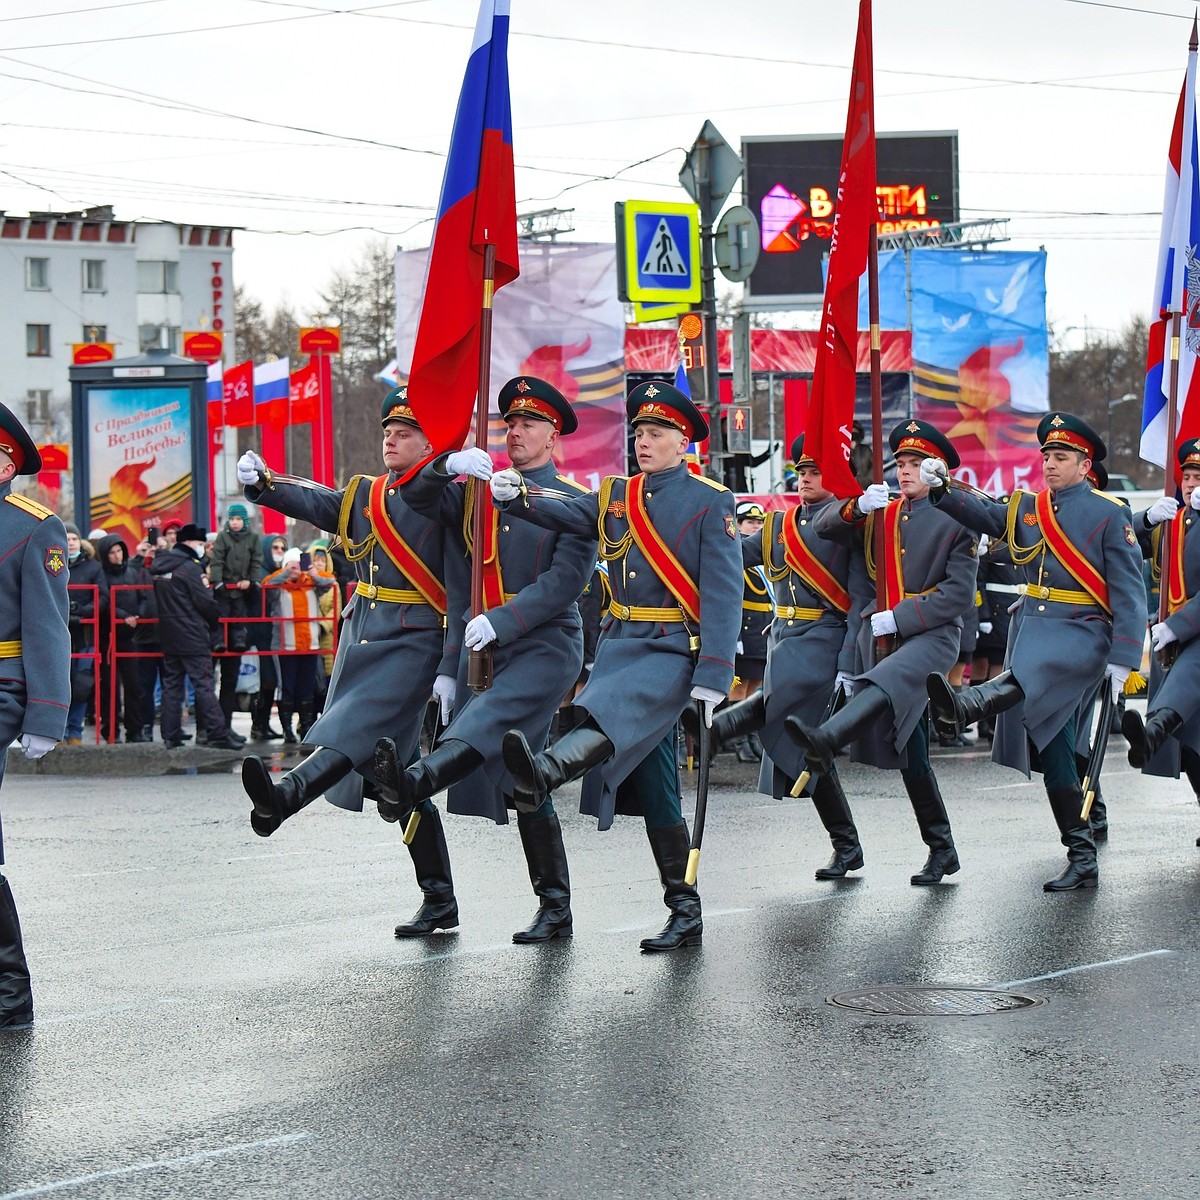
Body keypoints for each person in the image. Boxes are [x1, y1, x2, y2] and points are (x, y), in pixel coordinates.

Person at [493, 380, 742, 952]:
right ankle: (685, 909)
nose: (644, 441)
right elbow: (573, 513)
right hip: (620, 643)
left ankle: (547, 770)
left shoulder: (709, 500)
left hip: (669, 650)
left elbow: (724, 594)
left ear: (684, 441)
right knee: (656, 789)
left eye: (657, 433)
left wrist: (714, 673)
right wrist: (520, 498)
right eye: (639, 432)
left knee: (603, 714)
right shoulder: (617, 495)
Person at [378, 376, 595, 944]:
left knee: (483, 729)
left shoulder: (571, 501)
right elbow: (417, 496)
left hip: (544, 646)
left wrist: (501, 621)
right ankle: (526, 904)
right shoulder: (479, 490)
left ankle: (411, 783)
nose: (516, 432)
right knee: (518, 773)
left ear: (554, 435)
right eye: (511, 424)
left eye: (529, 424)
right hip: (484, 650)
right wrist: (446, 466)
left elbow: (564, 583)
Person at [923, 412, 1146, 891]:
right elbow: (986, 514)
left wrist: (1125, 658)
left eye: (1061, 457)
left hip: (1082, 634)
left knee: (1034, 672)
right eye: (1046, 455)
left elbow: (1129, 591)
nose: (1049, 463)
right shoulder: (1031, 508)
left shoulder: (1109, 512)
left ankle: (968, 704)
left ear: (1085, 466)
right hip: (1037, 629)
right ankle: (1081, 854)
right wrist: (944, 489)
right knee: (1056, 750)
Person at [236, 389, 465, 845]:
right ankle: (439, 894)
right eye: (388, 433)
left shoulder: (451, 500)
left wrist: (450, 665)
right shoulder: (367, 492)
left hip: (416, 639)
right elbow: (321, 504)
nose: (391, 441)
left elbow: (461, 588)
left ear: (429, 446)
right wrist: (267, 484)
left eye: (405, 434)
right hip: (364, 636)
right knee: (394, 774)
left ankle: (285, 797)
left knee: (355, 725)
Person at [787, 419, 978, 886]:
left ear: (938, 470)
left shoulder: (959, 518)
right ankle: (942, 848)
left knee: (890, 692)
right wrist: (856, 507)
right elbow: (827, 526)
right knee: (911, 752)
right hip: (882, 638)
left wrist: (903, 617)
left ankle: (827, 737)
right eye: (902, 464)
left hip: (930, 636)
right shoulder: (885, 514)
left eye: (916, 464)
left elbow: (957, 594)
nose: (905, 472)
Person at [701, 434, 867, 879]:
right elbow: (734, 556)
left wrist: (850, 662)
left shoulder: (847, 527)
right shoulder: (778, 525)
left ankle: (723, 729)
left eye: (815, 472)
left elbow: (860, 597)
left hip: (823, 638)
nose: (806, 479)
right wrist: (698, 547)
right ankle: (847, 844)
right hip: (784, 638)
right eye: (802, 472)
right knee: (809, 745)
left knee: (793, 721)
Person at [0, 402, 71, 1029]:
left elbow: (48, 627)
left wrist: (46, 713)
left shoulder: (32, 527)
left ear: (8, 465)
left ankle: (9, 988)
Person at [1123, 438, 1200, 845]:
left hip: (1188, 634)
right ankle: (1154, 734)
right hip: (1173, 642)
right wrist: (1149, 519)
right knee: (1189, 745)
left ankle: (1151, 734)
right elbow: (1122, 541)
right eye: (1185, 477)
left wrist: (1178, 625)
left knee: (1178, 719)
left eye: (1198, 477)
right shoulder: (1174, 521)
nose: (1189, 484)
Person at [149, 522, 242, 750]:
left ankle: (171, 734)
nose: (201, 548)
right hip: (192, 634)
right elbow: (205, 602)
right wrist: (214, 620)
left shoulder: (161, 566)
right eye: (200, 543)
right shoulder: (190, 568)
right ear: (190, 543)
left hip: (168, 634)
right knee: (204, 685)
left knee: (172, 684)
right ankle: (218, 733)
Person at [261, 548, 335, 742]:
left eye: (297, 565)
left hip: (310, 644)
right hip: (285, 646)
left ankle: (307, 727)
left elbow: (330, 582)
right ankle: (287, 730)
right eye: (290, 565)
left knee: (307, 687)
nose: (295, 569)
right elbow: (267, 584)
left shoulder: (311, 584)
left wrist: (313, 573)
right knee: (286, 688)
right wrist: (287, 571)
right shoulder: (279, 586)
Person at [725, 500, 771, 763]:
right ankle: (737, 738)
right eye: (750, 521)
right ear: (738, 525)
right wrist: (736, 637)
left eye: (759, 521)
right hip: (744, 628)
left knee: (755, 688)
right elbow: (732, 596)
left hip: (761, 629)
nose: (756, 525)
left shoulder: (762, 553)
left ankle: (752, 736)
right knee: (739, 688)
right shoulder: (737, 551)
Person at [95, 533, 147, 743]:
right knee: (109, 687)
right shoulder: (101, 574)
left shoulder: (133, 573)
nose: (116, 556)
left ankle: (134, 730)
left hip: (131, 637)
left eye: (119, 551)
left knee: (134, 685)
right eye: (112, 553)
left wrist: (138, 616)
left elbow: (143, 597)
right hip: (109, 637)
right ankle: (110, 731)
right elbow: (104, 601)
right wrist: (122, 616)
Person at [63, 523, 107, 746]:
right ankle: (59, 733)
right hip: (61, 636)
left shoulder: (93, 567)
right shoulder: (55, 565)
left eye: (73, 538)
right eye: (67, 538)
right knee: (62, 686)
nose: (70, 542)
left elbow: (102, 599)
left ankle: (75, 732)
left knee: (81, 685)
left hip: (86, 635)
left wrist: (80, 610)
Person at [210, 502, 262, 658]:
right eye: (232, 519)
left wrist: (251, 580)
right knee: (221, 614)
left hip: (241, 585)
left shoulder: (252, 538)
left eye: (239, 519)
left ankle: (239, 641)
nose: (235, 522)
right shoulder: (222, 537)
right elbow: (217, 560)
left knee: (239, 615)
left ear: (245, 521)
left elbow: (256, 560)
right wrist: (217, 581)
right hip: (225, 584)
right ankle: (220, 642)